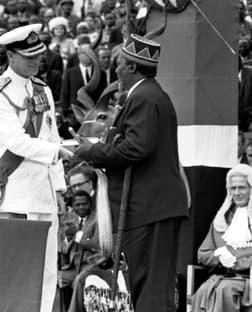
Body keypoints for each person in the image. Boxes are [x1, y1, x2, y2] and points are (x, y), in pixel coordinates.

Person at [74, 34, 188, 311]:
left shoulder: (145, 97)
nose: (116, 69)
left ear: (133, 67)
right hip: (148, 207)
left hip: (150, 207)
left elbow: (136, 148)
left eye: (120, 63)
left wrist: (91, 152)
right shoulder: (146, 94)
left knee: (150, 285)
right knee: (142, 282)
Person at [0, 23, 72, 312]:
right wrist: (59, 152)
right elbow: (17, 143)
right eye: (29, 57)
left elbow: (52, 134)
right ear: (11, 57)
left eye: (38, 56)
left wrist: (59, 188)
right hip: (17, 195)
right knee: (16, 271)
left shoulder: (42, 90)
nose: (36, 62)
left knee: (47, 272)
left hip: (43, 194)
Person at [191, 164, 252, 312]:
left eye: (242, 188)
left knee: (225, 290)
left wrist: (236, 262)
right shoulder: (222, 220)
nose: (237, 193)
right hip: (225, 278)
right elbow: (203, 253)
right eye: (233, 188)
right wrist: (219, 259)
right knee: (205, 290)